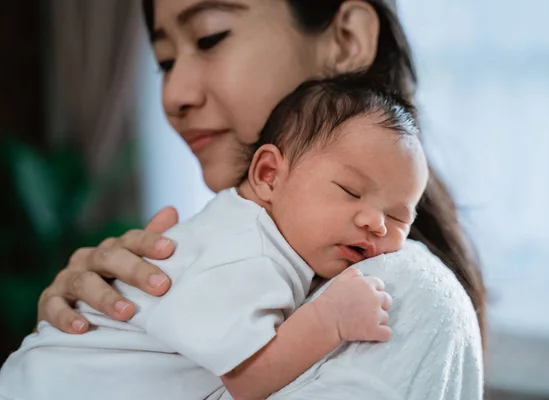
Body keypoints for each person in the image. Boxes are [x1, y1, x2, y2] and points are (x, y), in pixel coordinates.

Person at [34, 0, 485, 398]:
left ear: (346, 40)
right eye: (165, 61)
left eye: (210, 36)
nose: (173, 96)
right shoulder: (238, 244)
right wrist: (79, 336)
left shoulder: (397, 291)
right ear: (267, 173)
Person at [0, 75, 428, 400]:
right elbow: (246, 378)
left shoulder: (256, 232)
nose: (376, 224)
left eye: (397, 217)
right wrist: (330, 320)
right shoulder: (249, 252)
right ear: (268, 175)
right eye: (350, 192)